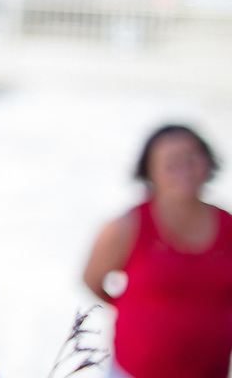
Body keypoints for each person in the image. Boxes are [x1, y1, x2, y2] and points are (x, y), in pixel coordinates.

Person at [83, 124, 232, 378]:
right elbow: (91, 280)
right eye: (171, 162)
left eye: (191, 158)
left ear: (208, 162)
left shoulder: (228, 226)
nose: (183, 168)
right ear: (149, 170)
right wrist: (141, 314)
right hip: (134, 371)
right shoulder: (126, 226)